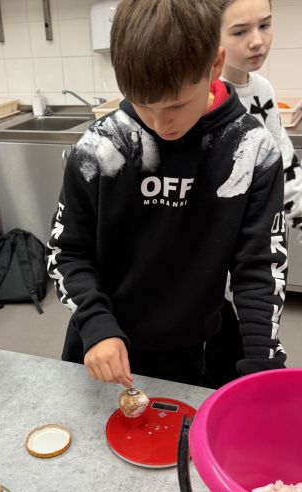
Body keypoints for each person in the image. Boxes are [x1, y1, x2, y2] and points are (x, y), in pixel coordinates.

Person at [46, 0, 287, 389]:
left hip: (195, 350)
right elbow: (66, 251)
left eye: (177, 104)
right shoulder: (101, 146)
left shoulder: (252, 150)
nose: (160, 124)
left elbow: (258, 267)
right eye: (144, 105)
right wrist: (94, 323)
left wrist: (262, 363)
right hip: (103, 345)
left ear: (215, 64)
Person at [204, 0, 302, 388]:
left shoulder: (262, 91)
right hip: (220, 268)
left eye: (265, 25)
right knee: (221, 361)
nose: (257, 41)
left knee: (259, 355)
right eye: (240, 31)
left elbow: (285, 164)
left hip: (262, 254)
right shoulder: (202, 98)